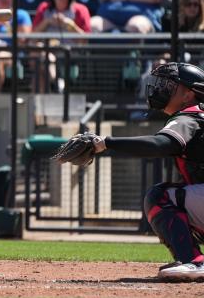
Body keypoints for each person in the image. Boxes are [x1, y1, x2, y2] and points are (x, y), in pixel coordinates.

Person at [55, 62, 204, 281]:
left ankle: (194, 261)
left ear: (188, 94)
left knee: (160, 196)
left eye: (170, 85)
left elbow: (160, 144)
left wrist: (105, 143)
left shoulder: (188, 117)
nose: (161, 89)